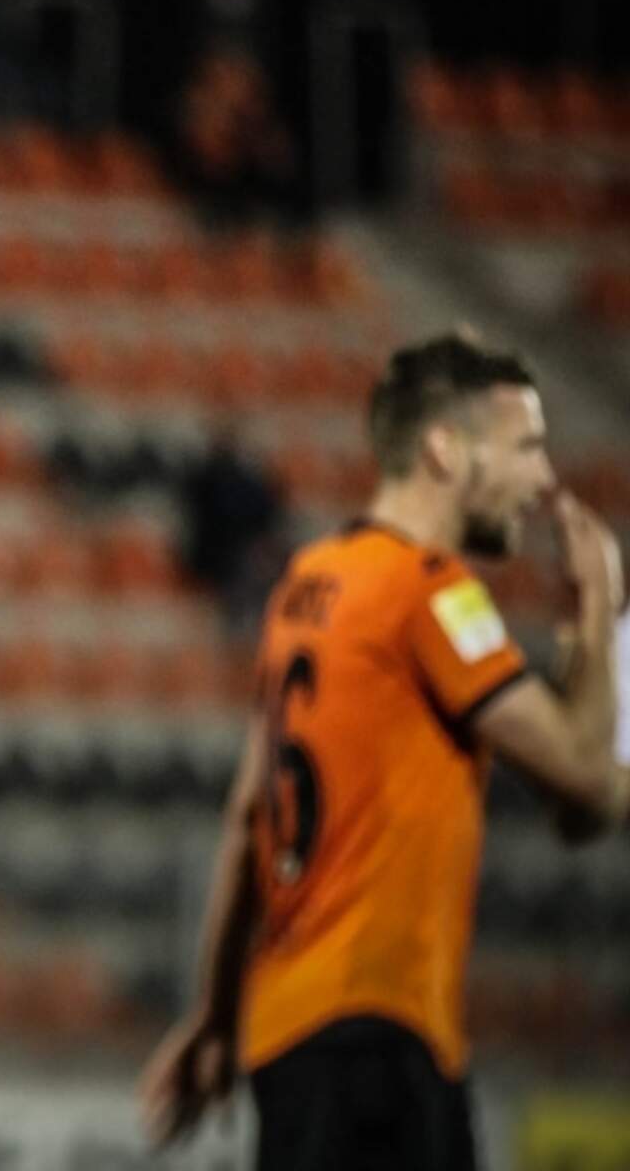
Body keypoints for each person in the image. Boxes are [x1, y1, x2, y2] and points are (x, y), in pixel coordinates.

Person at [140, 335, 630, 1170]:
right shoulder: (428, 592)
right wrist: (598, 609)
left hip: (290, 1038)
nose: (544, 478)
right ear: (446, 450)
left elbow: (248, 818)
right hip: (381, 1038)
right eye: (525, 447)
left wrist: (217, 1016)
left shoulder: (308, 582)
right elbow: (585, 789)